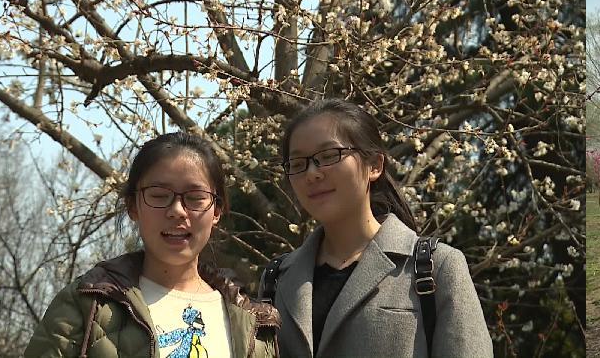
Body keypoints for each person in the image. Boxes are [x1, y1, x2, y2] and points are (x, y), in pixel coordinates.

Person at [266, 98, 492, 358]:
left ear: (374, 165)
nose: (312, 173)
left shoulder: (436, 267)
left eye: (329, 156)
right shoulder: (277, 279)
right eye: (297, 164)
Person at [25, 132, 280, 358]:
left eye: (195, 198)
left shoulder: (255, 326)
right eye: (159, 196)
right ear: (133, 206)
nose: (177, 211)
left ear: (217, 211)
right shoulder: (87, 305)